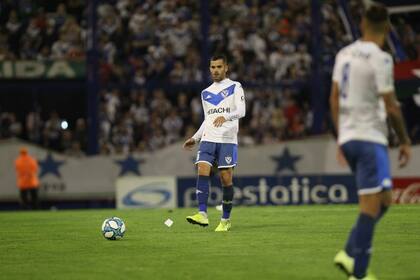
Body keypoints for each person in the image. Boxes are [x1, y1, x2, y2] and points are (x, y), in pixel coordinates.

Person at [329, 4, 411, 280]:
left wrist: (341, 136)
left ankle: (350, 252)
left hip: (351, 137)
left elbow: (333, 98)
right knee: (370, 207)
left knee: (385, 199)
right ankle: (360, 273)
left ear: (362, 23)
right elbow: (391, 106)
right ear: (388, 28)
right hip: (370, 138)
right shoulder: (382, 58)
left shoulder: (344, 54)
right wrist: (404, 140)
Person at [183, 54, 246, 232]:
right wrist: (195, 138)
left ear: (226, 67)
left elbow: (242, 111)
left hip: (227, 139)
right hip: (208, 139)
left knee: (225, 179)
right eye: (212, 67)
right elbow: (207, 120)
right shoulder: (205, 93)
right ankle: (202, 214)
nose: (216, 70)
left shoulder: (235, 86)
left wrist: (225, 116)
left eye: (219, 67)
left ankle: (225, 220)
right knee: (202, 169)